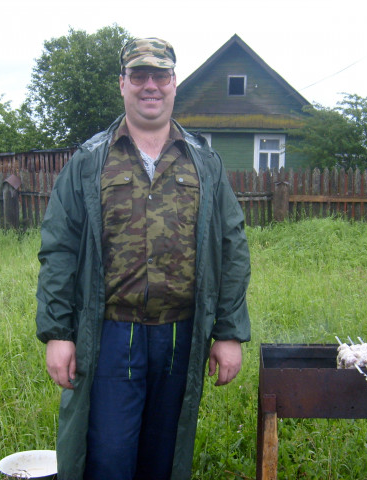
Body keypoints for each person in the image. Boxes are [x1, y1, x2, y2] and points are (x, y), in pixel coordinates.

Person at [35, 37, 251, 480]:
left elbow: (232, 247)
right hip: (112, 334)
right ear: (123, 84)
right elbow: (60, 248)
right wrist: (58, 332)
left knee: (163, 458)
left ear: (174, 84)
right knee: (109, 459)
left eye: (160, 75)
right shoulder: (89, 161)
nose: (150, 85)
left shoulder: (204, 163)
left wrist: (228, 332)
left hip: (180, 337)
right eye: (139, 76)